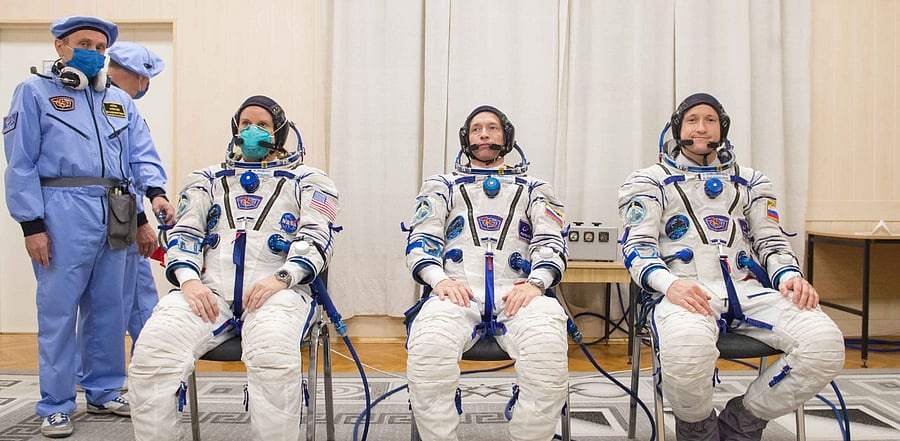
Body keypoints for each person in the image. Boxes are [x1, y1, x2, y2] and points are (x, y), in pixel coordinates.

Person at [618, 93, 845, 440]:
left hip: (746, 289)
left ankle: (744, 418)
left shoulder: (752, 182)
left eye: (710, 120)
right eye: (692, 120)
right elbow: (637, 246)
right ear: (677, 128)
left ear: (722, 128)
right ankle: (697, 428)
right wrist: (669, 285)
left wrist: (790, 276)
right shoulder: (649, 180)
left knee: (824, 343)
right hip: (684, 290)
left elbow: (771, 241)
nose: (701, 128)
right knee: (687, 350)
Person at [128, 95, 340, 441]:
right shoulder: (205, 179)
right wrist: (188, 281)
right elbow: (184, 234)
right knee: (153, 353)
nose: (252, 131)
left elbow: (318, 236)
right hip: (207, 292)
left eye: (263, 125)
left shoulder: (309, 180)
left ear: (280, 133)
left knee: (272, 361)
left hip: (277, 292)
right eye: (245, 124)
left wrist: (283, 277)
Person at [2, 16, 174, 438]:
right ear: (61, 47)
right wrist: (32, 225)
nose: (94, 53)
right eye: (85, 43)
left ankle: (103, 390)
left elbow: (139, 155)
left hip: (115, 207)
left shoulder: (118, 100)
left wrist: (152, 197)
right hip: (61, 209)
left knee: (109, 308)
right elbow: (20, 162)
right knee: (59, 311)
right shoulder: (34, 92)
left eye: (101, 47)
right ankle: (56, 404)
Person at [404, 105, 570, 441]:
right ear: (466, 138)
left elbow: (551, 241)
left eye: (492, 128)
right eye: (477, 128)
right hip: (456, 291)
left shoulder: (536, 187)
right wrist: (440, 280)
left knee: (548, 358)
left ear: (506, 137)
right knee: (428, 355)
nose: (484, 134)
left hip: (520, 293)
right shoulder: (441, 185)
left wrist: (537, 284)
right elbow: (421, 240)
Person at [106, 41, 166, 346]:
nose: (146, 86)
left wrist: (156, 193)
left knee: (140, 293)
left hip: (126, 213)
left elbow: (141, 160)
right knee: (107, 300)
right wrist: (142, 221)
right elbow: (125, 170)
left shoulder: (124, 108)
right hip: (115, 214)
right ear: (136, 76)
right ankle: (90, 373)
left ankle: (154, 361)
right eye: (146, 79)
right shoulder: (105, 106)